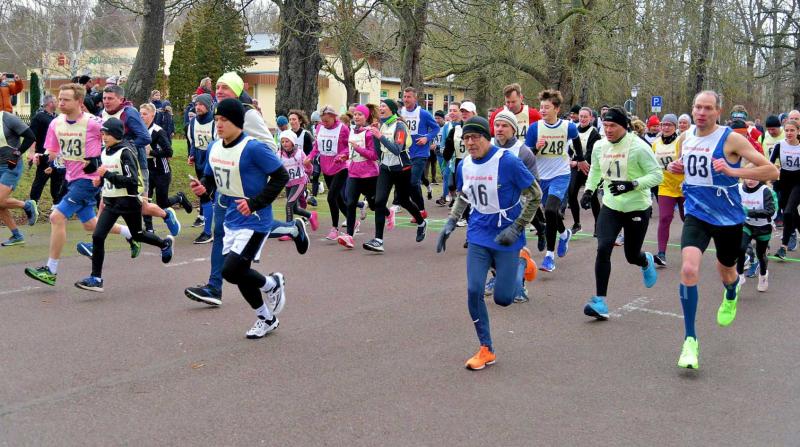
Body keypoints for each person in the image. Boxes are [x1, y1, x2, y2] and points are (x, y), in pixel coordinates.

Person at [667, 90, 778, 370]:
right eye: (698, 107)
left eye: (708, 108)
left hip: (728, 218)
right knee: (689, 269)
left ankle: (731, 291)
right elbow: (686, 170)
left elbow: (771, 172)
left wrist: (733, 172)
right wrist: (677, 168)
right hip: (696, 214)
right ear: (692, 109)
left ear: (718, 111)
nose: (701, 112)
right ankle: (690, 341)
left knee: (727, 270)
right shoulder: (684, 138)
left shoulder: (731, 139)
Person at [184, 73, 306, 307]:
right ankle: (214, 287)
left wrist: (245, 155)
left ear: (238, 91)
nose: (220, 91)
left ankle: (291, 230)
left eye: (225, 87)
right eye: (217, 87)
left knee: (252, 229)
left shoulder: (248, 115)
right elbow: (217, 151)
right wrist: (207, 182)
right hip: (226, 190)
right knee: (221, 234)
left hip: (247, 189)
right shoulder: (218, 113)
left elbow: (269, 145)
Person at [436, 116, 541, 370]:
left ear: (487, 137)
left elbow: (535, 194)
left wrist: (517, 227)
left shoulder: (508, 161)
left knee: (504, 299)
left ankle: (521, 262)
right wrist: (451, 221)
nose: (470, 143)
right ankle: (486, 348)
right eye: (466, 138)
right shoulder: (464, 165)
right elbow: (464, 195)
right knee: (474, 290)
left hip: (507, 234)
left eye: (475, 137)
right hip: (479, 233)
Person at [189, 98, 288, 339]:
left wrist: (254, 203)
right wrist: (203, 187)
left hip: (255, 220)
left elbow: (281, 176)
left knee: (231, 270)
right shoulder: (214, 147)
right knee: (238, 272)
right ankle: (266, 318)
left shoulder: (254, 148)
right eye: (217, 119)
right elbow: (210, 178)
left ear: (237, 122)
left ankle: (271, 283)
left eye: (224, 120)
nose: (219, 124)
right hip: (231, 219)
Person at [24, 83, 139, 287]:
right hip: (71, 179)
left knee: (56, 216)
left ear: (79, 101)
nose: (60, 103)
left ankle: (51, 270)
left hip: (89, 180)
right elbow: (52, 152)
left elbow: (116, 141)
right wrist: (42, 157)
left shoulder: (94, 123)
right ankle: (131, 235)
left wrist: (100, 161)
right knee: (90, 224)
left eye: (66, 100)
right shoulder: (55, 123)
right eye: (59, 99)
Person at [580, 106, 662, 319]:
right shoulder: (600, 146)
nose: (608, 130)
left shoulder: (638, 146)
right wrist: (589, 191)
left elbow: (657, 175)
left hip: (637, 207)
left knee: (631, 256)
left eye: (613, 126)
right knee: (603, 248)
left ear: (624, 126)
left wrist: (631, 184)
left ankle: (645, 261)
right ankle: (600, 302)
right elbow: (596, 170)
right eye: (605, 125)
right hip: (611, 206)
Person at [74, 118, 175, 292]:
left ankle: (164, 244)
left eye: (107, 134)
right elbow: (104, 170)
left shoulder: (126, 152)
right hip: (111, 202)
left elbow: (131, 182)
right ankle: (96, 278)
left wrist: (107, 175)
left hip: (128, 202)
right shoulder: (105, 151)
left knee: (138, 235)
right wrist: (95, 174)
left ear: (116, 134)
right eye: (103, 134)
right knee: (98, 236)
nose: (104, 137)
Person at [525, 89, 582, 272]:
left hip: (561, 175)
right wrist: (536, 148)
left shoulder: (568, 127)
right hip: (541, 177)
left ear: (556, 109)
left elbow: (576, 140)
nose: (542, 110)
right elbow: (527, 156)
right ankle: (564, 234)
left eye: (547, 107)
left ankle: (549, 256)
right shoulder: (534, 129)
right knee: (552, 213)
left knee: (550, 210)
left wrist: (580, 159)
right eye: (541, 107)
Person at [362, 98, 427, 252]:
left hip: (402, 168)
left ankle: (421, 222)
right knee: (379, 202)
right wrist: (375, 136)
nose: (381, 108)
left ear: (392, 109)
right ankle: (378, 240)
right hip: (386, 168)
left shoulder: (400, 126)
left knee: (403, 200)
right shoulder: (382, 125)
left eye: (384, 106)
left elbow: (397, 149)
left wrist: (379, 136)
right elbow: (378, 151)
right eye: (380, 106)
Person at [138, 103, 193, 233]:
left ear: (153, 115)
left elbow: (169, 152)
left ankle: (179, 197)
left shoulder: (158, 131)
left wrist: (151, 152)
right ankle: (149, 228)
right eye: (140, 114)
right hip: (146, 171)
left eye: (145, 114)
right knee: (145, 200)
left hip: (161, 171)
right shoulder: (138, 131)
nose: (142, 116)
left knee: (162, 203)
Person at [305, 105, 350, 240]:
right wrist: (310, 157)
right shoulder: (320, 127)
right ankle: (352, 220)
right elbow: (317, 146)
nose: (324, 123)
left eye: (327, 121)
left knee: (331, 198)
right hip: (326, 168)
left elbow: (349, 147)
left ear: (334, 117)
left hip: (341, 167)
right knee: (338, 199)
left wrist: (342, 155)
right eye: (322, 120)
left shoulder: (343, 128)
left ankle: (334, 228)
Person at [339, 103, 378, 249]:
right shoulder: (351, 131)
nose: (356, 116)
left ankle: (388, 213)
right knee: (350, 203)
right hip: (354, 172)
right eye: (355, 114)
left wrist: (358, 149)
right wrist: (343, 156)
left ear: (366, 116)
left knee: (374, 205)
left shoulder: (369, 133)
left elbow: (374, 155)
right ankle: (349, 236)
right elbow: (350, 151)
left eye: (359, 114)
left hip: (369, 174)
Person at [400, 87, 440, 218]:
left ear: (415, 98)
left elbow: (436, 128)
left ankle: (419, 210)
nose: (406, 99)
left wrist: (427, 138)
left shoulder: (423, 113)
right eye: (404, 97)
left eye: (409, 97)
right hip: (405, 153)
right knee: (410, 184)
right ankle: (420, 210)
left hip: (420, 153)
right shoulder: (400, 113)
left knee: (413, 182)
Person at [0, 106, 37, 246]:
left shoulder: (7, 118)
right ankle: (17, 235)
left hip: (11, 165)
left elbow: (30, 136)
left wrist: (18, 153)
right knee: (0, 204)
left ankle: (27, 205)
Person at [652, 113, 684, 266]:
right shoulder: (655, 144)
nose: (665, 127)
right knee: (664, 218)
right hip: (665, 185)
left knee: (687, 218)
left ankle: (692, 248)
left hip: (683, 185)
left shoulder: (680, 142)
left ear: (675, 127)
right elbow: (652, 164)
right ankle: (661, 254)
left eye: (669, 125)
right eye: (663, 124)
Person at [736, 173, 775, 292]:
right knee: (740, 248)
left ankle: (763, 275)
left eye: (754, 178)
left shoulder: (766, 191)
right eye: (748, 177)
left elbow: (771, 211)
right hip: (747, 225)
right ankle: (740, 275)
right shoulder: (738, 188)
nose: (750, 180)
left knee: (760, 255)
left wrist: (749, 212)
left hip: (763, 227)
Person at [567, 107, 601, 234]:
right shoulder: (574, 130)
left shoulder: (594, 133)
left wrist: (579, 163)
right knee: (571, 194)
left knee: (592, 196)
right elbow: (570, 148)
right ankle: (577, 224)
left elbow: (592, 153)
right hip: (575, 166)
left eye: (585, 117)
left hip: (589, 166)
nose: (583, 119)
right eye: (581, 116)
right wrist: (570, 159)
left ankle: (598, 225)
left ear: (591, 118)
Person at [770, 119, 800, 260]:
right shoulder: (779, 145)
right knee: (792, 213)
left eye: (792, 130)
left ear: (798, 131)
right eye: (786, 130)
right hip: (784, 181)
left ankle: (783, 247)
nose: (789, 133)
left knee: (788, 212)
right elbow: (769, 163)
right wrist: (770, 175)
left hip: (798, 182)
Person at [188, 93, 216, 243]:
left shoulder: (214, 122)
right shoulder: (193, 122)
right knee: (203, 193)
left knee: (210, 193)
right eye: (196, 104)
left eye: (201, 104)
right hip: (199, 159)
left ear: (208, 106)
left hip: (212, 160)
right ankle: (207, 223)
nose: (197, 107)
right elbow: (193, 141)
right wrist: (192, 155)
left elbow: (217, 143)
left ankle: (209, 231)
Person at [278, 129, 317, 232]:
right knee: (294, 209)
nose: (284, 144)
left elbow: (310, 168)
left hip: (300, 182)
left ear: (292, 142)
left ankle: (289, 230)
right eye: (282, 141)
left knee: (289, 205)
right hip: (288, 184)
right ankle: (311, 215)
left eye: (287, 141)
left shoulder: (300, 153)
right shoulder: (279, 154)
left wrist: (307, 171)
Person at [28, 95, 64, 205]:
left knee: (57, 180)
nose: (58, 103)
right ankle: (33, 203)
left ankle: (57, 204)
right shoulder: (39, 117)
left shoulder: (57, 117)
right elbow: (32, 136)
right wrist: (31, 152)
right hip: (43, 154)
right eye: (56, 101)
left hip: (57, 155)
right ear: (50, 103)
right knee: (40, 179)